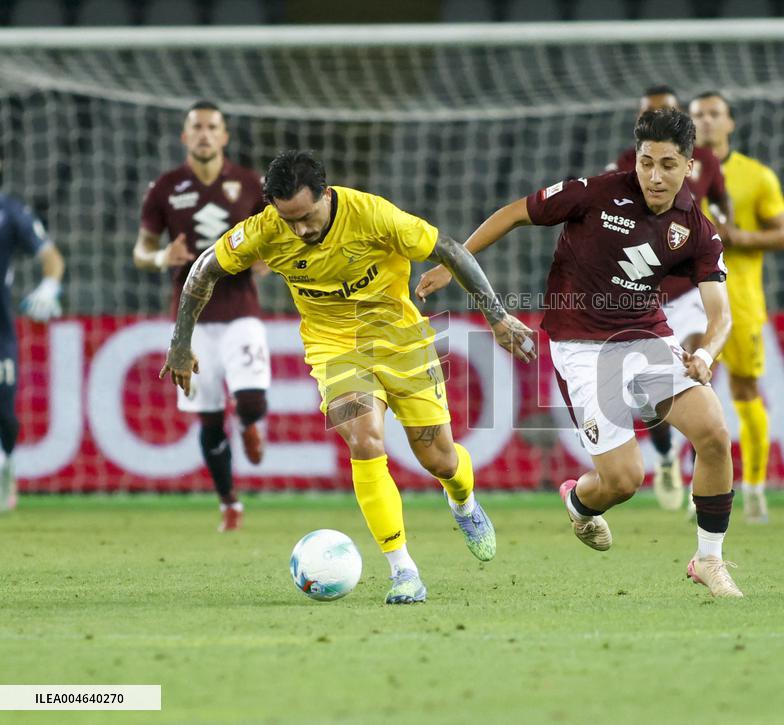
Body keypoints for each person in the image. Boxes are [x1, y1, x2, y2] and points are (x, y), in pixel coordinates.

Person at [161, 150, 535, 604]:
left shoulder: (372, 214)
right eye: (289, 220)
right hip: (334, 349)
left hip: (401, 341)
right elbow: (204, 270)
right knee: (364, 439)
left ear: (327, 194)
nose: (300, 230)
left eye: (306, 216)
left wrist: (496, 318)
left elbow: (449, 250)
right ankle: (404, 571)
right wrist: (181, 343)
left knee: (440, 461)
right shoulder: (264, 229)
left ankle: (464, 502)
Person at [417, 109, 743, 598]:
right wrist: (455, 262)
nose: (655, 175)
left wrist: (708, 353)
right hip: (583, 348)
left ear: (689, 165)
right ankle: (582, 504)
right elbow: (515, 213)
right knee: (623, 481)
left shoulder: (696, 228)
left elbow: (721, 314)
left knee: (714, 434)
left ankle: (709, 559)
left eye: (668, 165)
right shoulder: (595, 193)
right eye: (646, 161)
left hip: (647, 339)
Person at [135, 100, 270, 532]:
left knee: (251, 398)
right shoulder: (166, 188)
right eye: (197, 127)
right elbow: (140, 250)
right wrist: (161, 258)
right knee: (209, 417)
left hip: (240, 312)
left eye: (213, 126)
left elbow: (275, 237)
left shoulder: (251, 184)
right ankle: (229, 503)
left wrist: (267, 258)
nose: (205, 134)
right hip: (189, 324)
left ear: (225, 136)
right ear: (184, 136)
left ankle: (250, 423)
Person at [608, 84, 734, 511]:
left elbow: (723, 204)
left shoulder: (707, 162)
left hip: (688, 292)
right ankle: (664, 456)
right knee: (649, 393)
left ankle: (705, 480)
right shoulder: (627, 166)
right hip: (641, 296)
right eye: (648, 113)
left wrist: (720, 230)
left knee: (697, 353)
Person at [689, 91, 784, 524]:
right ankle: (700, 491)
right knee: (687, 392)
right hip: (688, 300)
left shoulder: (757, 176)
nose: (707, 122)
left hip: (742, 300)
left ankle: (754, 488)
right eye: (698, 116)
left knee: (746, 392)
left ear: (731, 123)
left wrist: (740, 238)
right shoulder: (675, 172)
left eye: (715, 114)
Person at [0, 193, 65, 511]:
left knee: (5, 416)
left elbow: (51, 256)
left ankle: (6, 465)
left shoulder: (10, 211)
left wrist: (50, 286)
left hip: (0, 331)